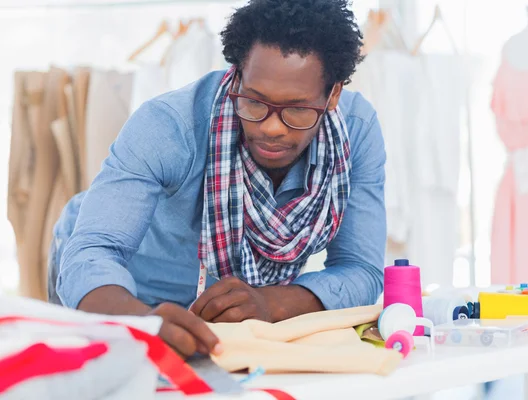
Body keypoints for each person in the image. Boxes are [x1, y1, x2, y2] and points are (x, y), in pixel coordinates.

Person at [48, 0, 386, 359]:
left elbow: (361, 270)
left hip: (242, 318)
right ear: (236, 75)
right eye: (255, 102)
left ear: (333, 94)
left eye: (298, 110)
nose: (271, 127)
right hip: (125, 298)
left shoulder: (356, 131)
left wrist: (271, 303)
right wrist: (141, 322)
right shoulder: (168, 126)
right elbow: (92, 253)